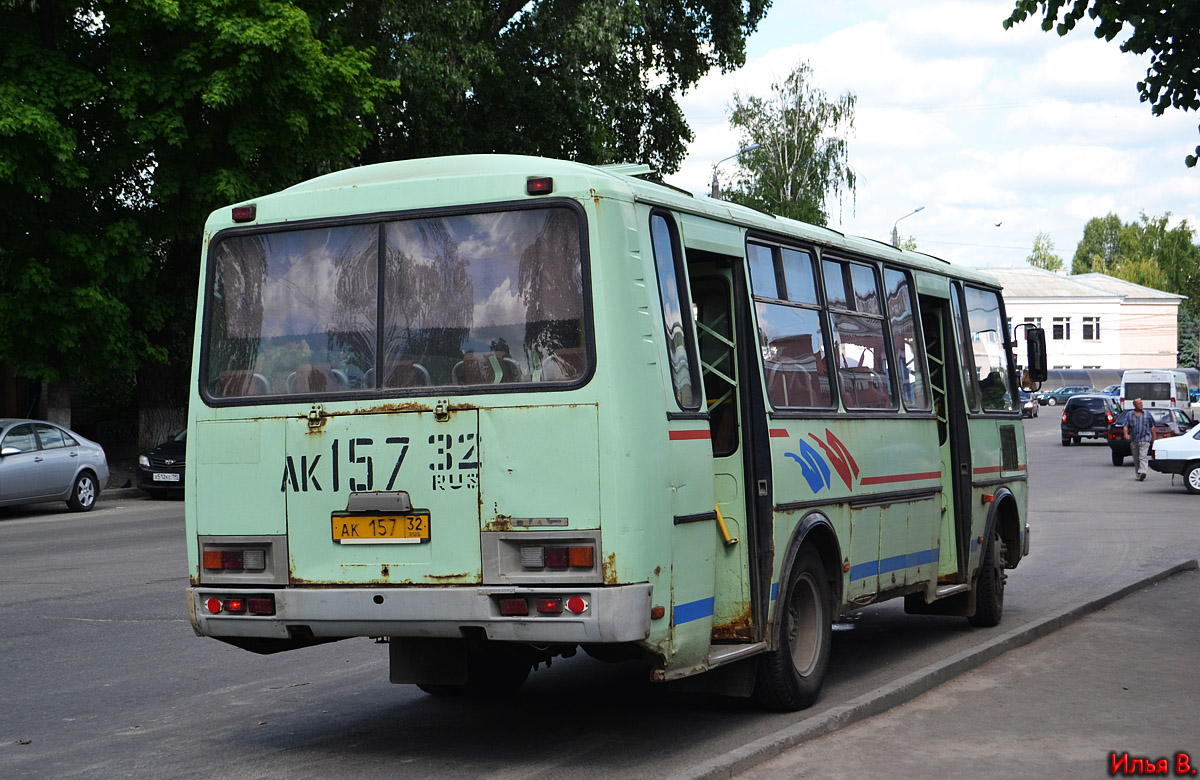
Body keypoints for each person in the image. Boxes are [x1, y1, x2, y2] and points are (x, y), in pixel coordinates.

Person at [1123, 398, 1156, 481]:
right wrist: (1126, 434)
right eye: (1139, 404)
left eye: (1141, 403)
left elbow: (1152, 427)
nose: (1141, 405)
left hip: (1145, 439)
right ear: (1134, 405)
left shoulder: (1147, 414)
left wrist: (1154, 438)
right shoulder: (1129, 414)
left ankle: (1143, 472)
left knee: (1143, 456)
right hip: (1134, 440)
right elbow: (1125, 425)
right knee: (1136, 458)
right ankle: (1138, 474)